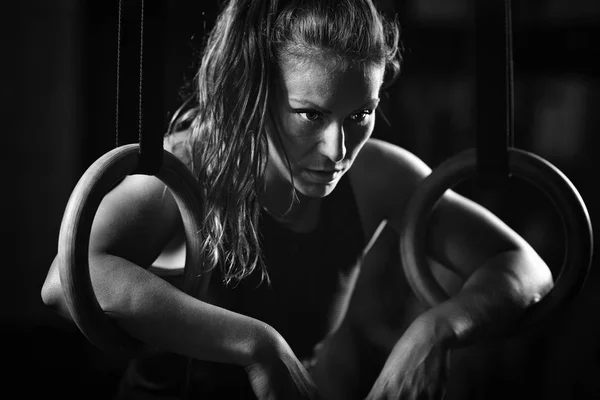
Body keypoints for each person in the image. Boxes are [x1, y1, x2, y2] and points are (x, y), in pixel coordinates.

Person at [41, 0, 554, 399]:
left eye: (360, 115)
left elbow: (525, 266)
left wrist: (436, 331)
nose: (338, 150)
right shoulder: (186, 170)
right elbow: (65, 284)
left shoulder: (376, 174)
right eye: (311, 114)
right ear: (258, 91)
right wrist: (257, 346)